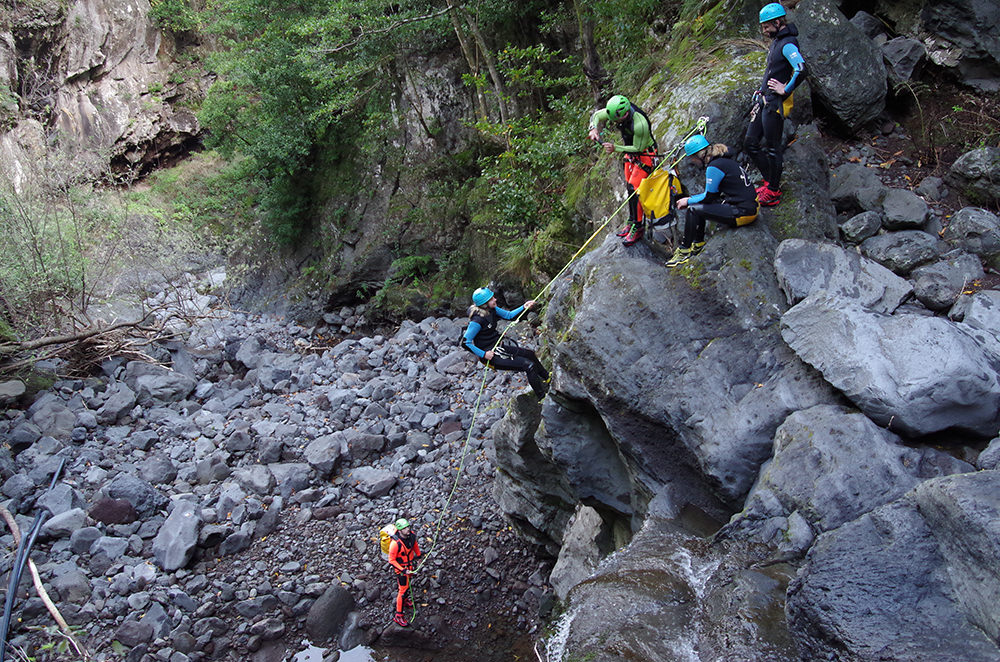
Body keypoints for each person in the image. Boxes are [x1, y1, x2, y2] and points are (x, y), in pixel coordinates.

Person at [745, 2, 806, 207]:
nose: (763, 30)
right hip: (765, 101)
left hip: (775, 104)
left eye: (766, 26)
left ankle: (773, 191)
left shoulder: (788, 43)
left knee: (772, 148)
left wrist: (785, 89)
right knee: (751, 143)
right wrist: (760, 93)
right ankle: (769, 181)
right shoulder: (778, 42)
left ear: (778, 22)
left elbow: (801, 69)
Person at [666, 135, 758, 268]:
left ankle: (684, 250)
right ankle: (698, 243)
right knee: (698, 207)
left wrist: (687, 200)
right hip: (748, 206)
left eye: (692, 158)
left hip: (744, 212)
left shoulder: (714, 167)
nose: (692, 161)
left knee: (693, 209)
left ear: (700, 156)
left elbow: (709, 197)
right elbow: (712, 196)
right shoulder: (724, 160)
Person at [587, 94, 659, 245]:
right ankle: (632, 221)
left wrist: (615, 148)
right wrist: (593, 128)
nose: (614, 122)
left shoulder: (639, 124)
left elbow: (638, 147)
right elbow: (597, 115)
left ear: (625, 114)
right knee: (629, 186)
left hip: (646, 153)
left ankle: (638, 227)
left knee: (635, 188)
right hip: (630, 153)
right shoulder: (615, 111)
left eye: (616, 120)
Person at [463, 287, 549, 400]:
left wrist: (524, 307)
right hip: (490, 356)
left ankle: (547, 378)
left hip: (499, 347)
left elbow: (509, 316)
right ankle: (542, 398)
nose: (495, 299)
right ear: (485, 304)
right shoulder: (477, 321)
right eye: (491, 299)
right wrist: (484, 354)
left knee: (530, 354)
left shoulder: (492, 310)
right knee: (529, 365)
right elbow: (465, 342)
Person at [388, 518, 421, 627]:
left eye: (408, 527)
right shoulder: (395, 544)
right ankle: (399, 615)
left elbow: (414, 545)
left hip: (409, 566)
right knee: (402, 590)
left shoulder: (411, 536)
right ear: (400, 530)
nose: (407, 529)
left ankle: (406, 601)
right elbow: (391, 560)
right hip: (401, 570)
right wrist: (402, 570)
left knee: (407, 586)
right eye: (404, 528)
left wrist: (419, 556)